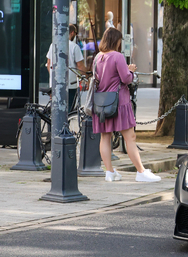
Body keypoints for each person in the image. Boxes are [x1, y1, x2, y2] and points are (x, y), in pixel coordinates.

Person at [91, 27, 161, 183]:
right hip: (119, 102)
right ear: (115, 40)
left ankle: (109, 172)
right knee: (130, 137)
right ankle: (141, 172)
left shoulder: (97, 57)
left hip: (102, 103)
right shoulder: (117, 56)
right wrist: (131, 71)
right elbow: (126, 79)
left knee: (105, 137)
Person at [46, 24, 86, 111]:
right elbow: (80, 66)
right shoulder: (74, 47)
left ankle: (52, 124)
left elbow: (48, 63)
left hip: (54, 84)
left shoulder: (53, 45)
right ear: (72, 33)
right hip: (70, 85)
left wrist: (53, 76)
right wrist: (85, 77)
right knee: (68, 110)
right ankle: (65, 124)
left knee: (54, 109)